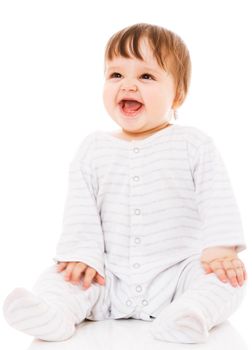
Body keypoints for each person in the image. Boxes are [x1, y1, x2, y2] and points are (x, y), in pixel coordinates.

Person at [3, 23, 247, 344]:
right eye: (116, 75)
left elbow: (216, 195)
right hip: (108, 276)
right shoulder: (93, 148)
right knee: (62, 275)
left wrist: (221, 249)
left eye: (146, 76)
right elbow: (81, 208)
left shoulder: (193, 143)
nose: (128, 85)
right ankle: (54, 313)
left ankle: (189, 313)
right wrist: (81, 256)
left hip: (176, 275)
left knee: (228, 279)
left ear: (178, 94)